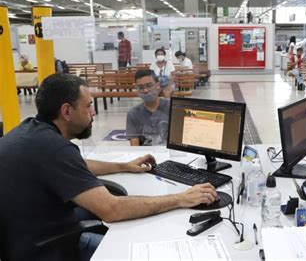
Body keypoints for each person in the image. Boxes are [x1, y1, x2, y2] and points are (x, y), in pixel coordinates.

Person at [0, 73, 217, 261]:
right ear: (66, 111)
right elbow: (112, 210)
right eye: (88, 106)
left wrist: (124, 166)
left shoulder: (30, 131)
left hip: (21, 238)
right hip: (47, 250)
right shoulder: (55, 149)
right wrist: (180, 198)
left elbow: (77, 166)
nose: (93, 113)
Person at [126, 70, 170, 146]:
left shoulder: (171, 107)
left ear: (158, 85)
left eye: (149, 86)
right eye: (140, 87)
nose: (145, 90)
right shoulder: (133, 114)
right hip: (146, 155)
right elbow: (134, 147)